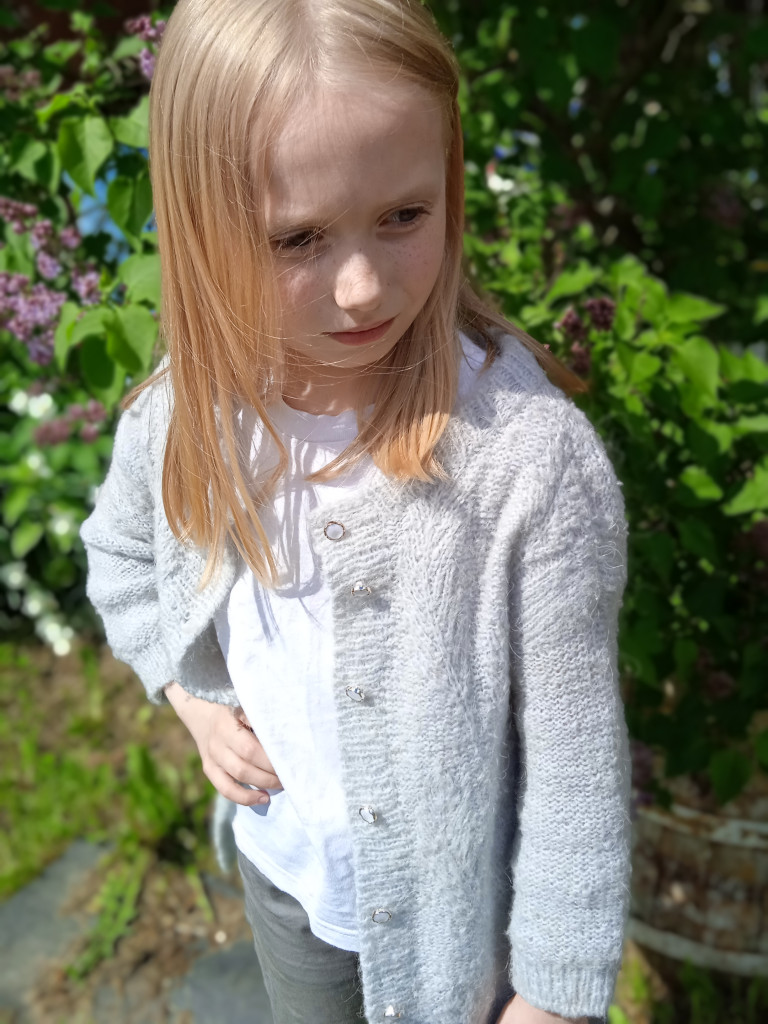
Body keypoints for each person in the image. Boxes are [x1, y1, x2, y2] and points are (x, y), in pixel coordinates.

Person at [80, 1, 632, 1022]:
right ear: (201, 228)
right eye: (298, 238)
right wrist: (193, 700)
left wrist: (553, 997)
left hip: (462, 931)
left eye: (404, 215)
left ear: (449, 173)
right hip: (287, 888)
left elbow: (576, 764)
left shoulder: (527, 458)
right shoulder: (186, 415)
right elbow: (119, 556)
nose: (364, 287)